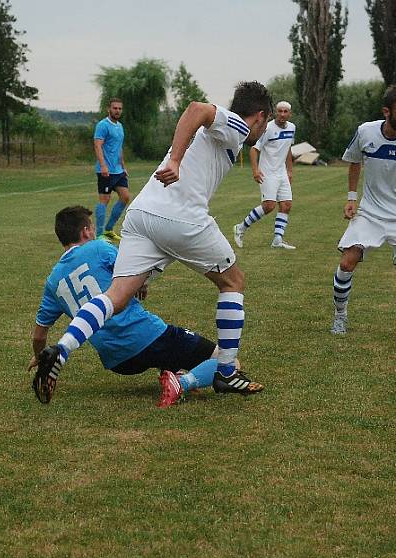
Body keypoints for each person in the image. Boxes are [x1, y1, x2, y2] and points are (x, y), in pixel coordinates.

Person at [33, 81, 274, 403]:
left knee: (116, 295)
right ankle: (227, 371)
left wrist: (150, 273)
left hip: (143, 213)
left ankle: (62, 349)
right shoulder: (237, 126)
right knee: (233, 282)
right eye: (267, 122)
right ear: (260, 115)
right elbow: (196, 109)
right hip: (179, 216)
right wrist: (174, 160)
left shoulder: (224, 135)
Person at [30, 206, 249, 407]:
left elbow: (40, 335)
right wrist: (142, 283)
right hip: (149, 338)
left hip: (118, 361)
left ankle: (171, 370)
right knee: (228, 361)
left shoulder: (52, 282)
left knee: (170, 356)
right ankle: (183, 383)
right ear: (86, 231)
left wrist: (41, 358)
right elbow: (134, 269)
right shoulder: (98, 248)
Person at [331, 84, 396, 341]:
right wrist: (351, 198)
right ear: (386, 112)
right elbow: (355, 160)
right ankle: (340, 316)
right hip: (370, 213)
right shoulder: (365, 132)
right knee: (347, 261)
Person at [233, 100, 297, 250]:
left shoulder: (292, 128)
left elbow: (287, 149)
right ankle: (240, 228)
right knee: (269, 206)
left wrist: (290, 170)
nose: (282, 114)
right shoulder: (267, 128)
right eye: (279, 111)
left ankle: (277, 239)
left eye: (285, 111)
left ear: (290, 114)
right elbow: (254, 149)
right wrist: (255, 170)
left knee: (286, 205)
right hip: (267, 172)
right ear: (275, 112)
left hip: (281, 172)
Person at [93, 98, 131, 242]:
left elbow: (119, 147)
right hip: (106, 170)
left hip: (118, 171)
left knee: (125, 197)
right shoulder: (103, 125)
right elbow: (97, 146)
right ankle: (99, 234)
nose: (117, 111)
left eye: (120, 109)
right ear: (109, 109)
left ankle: (109, 229)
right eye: (115, 108)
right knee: (105, 199)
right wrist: (103, 165)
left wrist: (123, 166)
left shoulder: (120, 126)